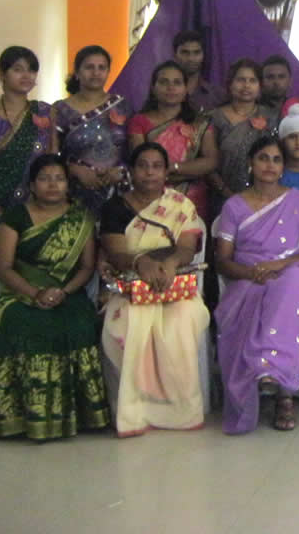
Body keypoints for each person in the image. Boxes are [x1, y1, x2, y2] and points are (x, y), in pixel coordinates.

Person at [0, 154, 109, 440]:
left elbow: (86, 267)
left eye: (59, 179)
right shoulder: (15, 216)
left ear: (68, 184)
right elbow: (4, 268)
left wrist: (63, 292)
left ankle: (82, 415)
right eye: (44, 179)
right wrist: (35, 293)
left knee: (79, 324)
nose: (52, 185)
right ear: (32, 185)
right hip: (21, 293)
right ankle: (17, 416)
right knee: (17, 323)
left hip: (68, 294)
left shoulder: (81, 218)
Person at [99, 142, 210, 437]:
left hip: (174, 286)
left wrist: (170, 263)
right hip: (130, 287)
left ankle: (179, 411)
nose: (149, 172)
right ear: (131, 171)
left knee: (182, 320)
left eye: (157, 166)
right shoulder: (114, 208)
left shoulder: (180, 205)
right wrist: (140, 263)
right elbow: (116, 253)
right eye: (142, 166)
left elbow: (186, 249)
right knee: (129, 324)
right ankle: (136, 412)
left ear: (166, 172)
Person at [214, 136, 299, 434]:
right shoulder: (234, 206)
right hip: (247, 277)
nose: (269, 165)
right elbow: (223, 260)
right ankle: (268, 379)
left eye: (276, 160)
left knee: (290, 284)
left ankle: (281, 390)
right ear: (250, 163)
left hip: (291, 272)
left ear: (284, 166)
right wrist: (252, 273)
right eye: (263, 158)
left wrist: (278, 265)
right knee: (267, 294)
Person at [127, 60, 217, 221]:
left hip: (192, 199)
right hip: (150, 197)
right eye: (164, 82)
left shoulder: (199, 122)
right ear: (153, 88)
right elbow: (140, 163)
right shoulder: (139, 121)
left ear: (186, 89)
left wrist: (174, 168)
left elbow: (211, 161)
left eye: (177, 82)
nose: (171, 87)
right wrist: (179, 173)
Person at [53, 45, 131, 215]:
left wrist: (121, 170)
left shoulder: (122, 106)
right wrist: (73, 169)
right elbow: (50, 156)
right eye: (89, 67)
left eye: (101, 68)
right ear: (77, 72)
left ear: (108, 72)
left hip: (118, 192)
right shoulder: (60, 110)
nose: (96, 73)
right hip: (75, 192)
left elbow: (134, 150)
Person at [0, 46, 56, 222]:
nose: (26, 75)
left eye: (31, 70)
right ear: (2, 74)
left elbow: (52, 160)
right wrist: (0, 216)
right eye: (18, 69)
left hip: (38, 207)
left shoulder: (45, 111)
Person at [206, 58, 279, 210]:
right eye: (240, 80)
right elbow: (208, 162)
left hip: (264, 198)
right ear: (230, 84)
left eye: (252, 80)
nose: (246, 85)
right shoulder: (214, 118)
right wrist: (226, 192)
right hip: (222, 197)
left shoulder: (271, 117)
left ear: (260, 86)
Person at [173, 30, 225, 113]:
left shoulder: (218, 96)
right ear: (175, 55)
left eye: (196, 52)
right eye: (185, 52)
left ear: (203, 55)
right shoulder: (164, 92)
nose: (191, 58)